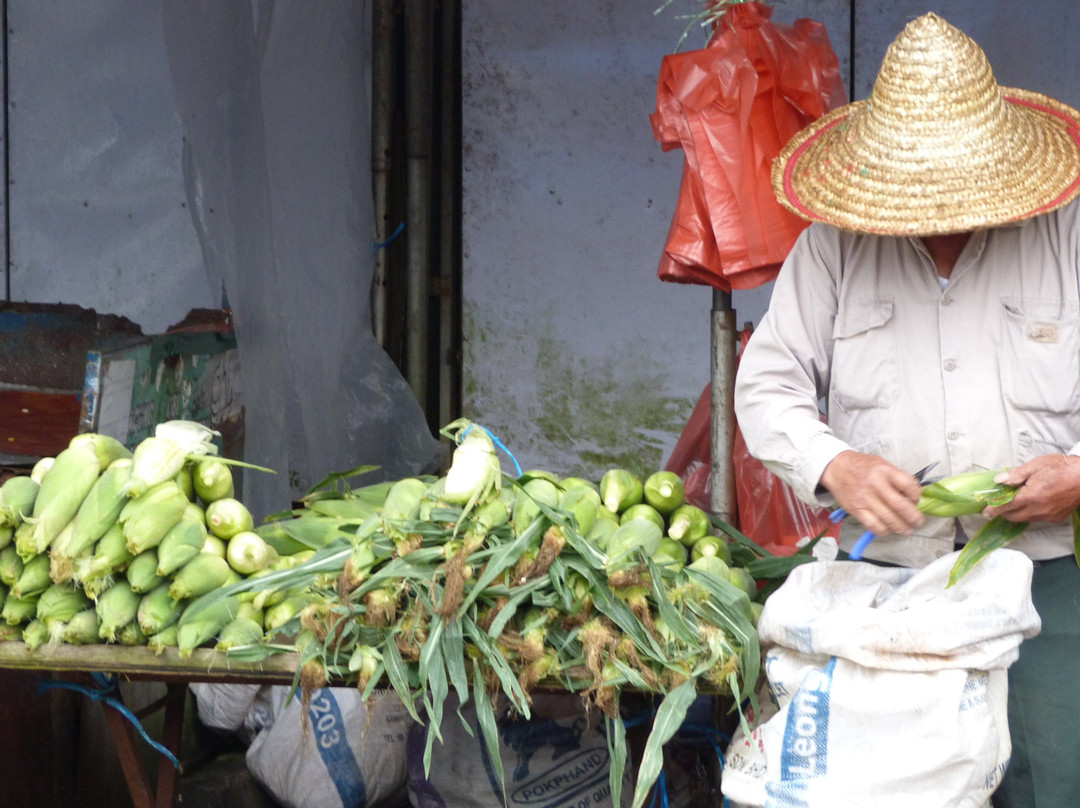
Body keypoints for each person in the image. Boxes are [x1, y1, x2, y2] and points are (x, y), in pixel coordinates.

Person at [733, 12, 1080, 808]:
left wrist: (1077, 475)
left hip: (1051, 581)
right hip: (888, 585)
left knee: (1053, 783)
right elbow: (767, 383)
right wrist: (836, 464)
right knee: (886, 791)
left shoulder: (1069, 234)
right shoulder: (835, 245)